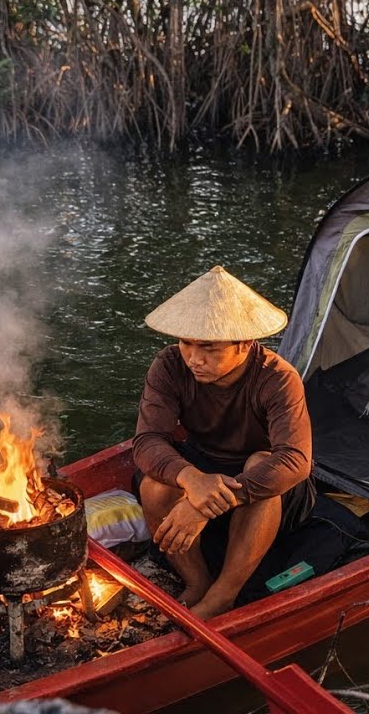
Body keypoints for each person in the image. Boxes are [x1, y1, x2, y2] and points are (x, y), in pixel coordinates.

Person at [132, 265, 315, 620]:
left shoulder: (278, 379)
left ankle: (223, 594)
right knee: (154, 487)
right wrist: (191, 480)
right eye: (186, 343)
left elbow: (295, 460)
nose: (194, 358)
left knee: (260, 461)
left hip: (264, 485)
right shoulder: (169, 366)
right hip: (204, 463)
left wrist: (205, 504)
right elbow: (148, 441)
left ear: (245, 344)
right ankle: (196, 580)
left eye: (209, 348)